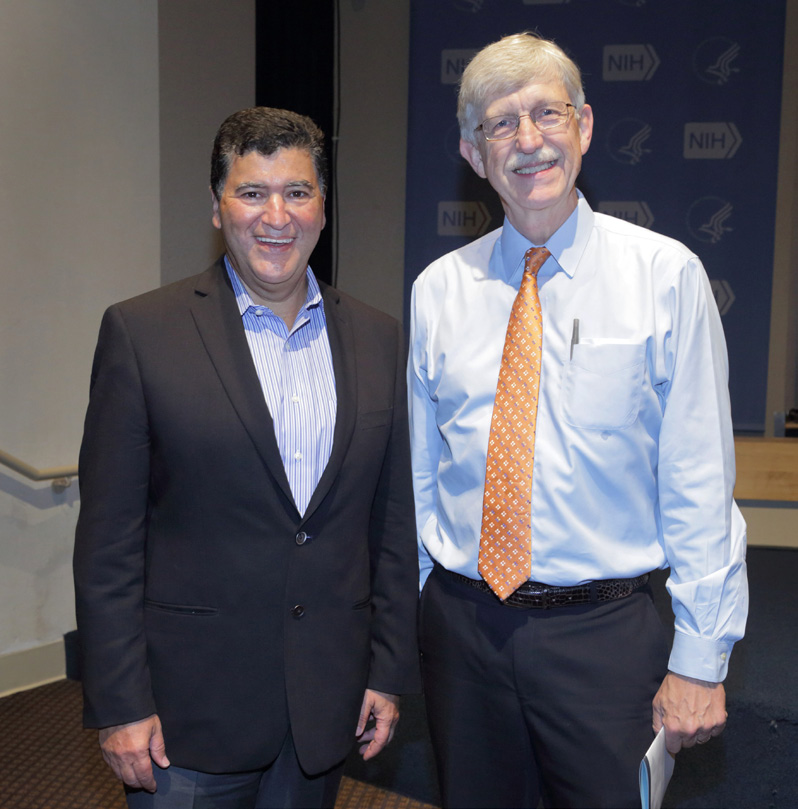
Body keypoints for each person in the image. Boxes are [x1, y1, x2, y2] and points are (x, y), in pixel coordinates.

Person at [408, 32, 748, 809]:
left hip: (605, 640)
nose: (528, 140)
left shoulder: (665, 277)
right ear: (472, 151)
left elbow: (698, 478)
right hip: (462, 634)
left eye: (547, 113)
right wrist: (419, 616)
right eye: (501, 123)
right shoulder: (438, 291)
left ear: (586, 126)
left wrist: (702, 656)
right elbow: (424, 476)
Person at [74, 106, 420, 809]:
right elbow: (109, 540)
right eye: (252, 192)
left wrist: (386, 671)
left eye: (297, 192)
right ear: (216, 207)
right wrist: (118, 702)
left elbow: (389, 527)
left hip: (324, 711)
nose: (276, 217)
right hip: (184, 722)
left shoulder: (378, 337)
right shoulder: (141, 334)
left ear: (323, 207)